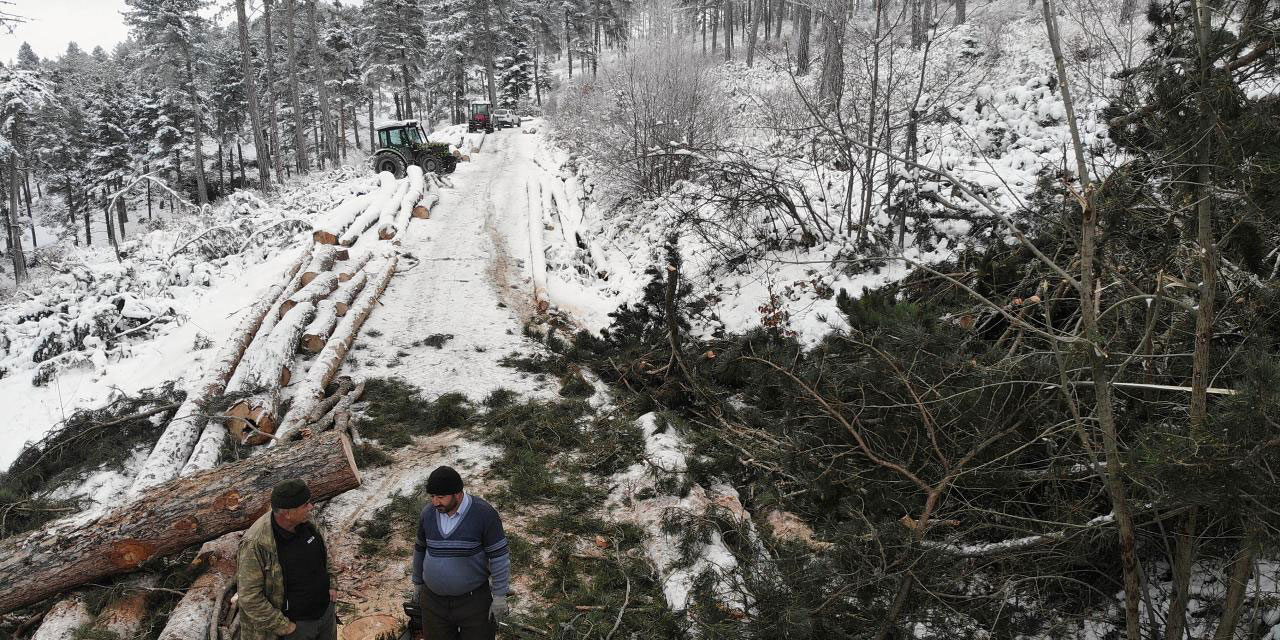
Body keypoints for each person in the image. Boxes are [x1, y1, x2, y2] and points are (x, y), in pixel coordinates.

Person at [412, 466, 511, 640]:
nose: (435, 502)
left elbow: (499, 557)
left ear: (457, 493)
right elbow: (420, 549)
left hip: (473, 603)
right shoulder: (428, 514)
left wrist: (500, 596)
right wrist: (417, 583)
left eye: (441, 497)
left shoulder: (483, 514)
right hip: (434, 604)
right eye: (433, 496)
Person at [236, 479, 338, 640]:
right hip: (296, 627)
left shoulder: (306, 522)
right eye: (305, 505)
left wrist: (332, 584)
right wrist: (285, 627)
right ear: (287, 513)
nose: (311, 507)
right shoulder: (257, 543)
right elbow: (249, 598)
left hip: (325, 614)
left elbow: (324, 554)